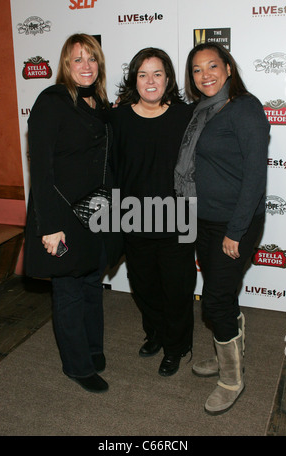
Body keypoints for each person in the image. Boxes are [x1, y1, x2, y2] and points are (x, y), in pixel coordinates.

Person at [174, 43, 270, 414]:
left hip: (236, 223)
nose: (205, 75)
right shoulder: (202, 111)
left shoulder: (245, 109)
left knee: (213, 300)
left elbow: (254, 179)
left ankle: (232, 378)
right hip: (205, 218)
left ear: (228, 68)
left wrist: (236, 230)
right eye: (197, 70)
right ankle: (228, 350)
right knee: (221, 295)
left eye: (213, 66)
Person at [24, 33, 122, 393]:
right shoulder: (51, 101)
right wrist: (49, 226)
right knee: (68, 290)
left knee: (92, 285)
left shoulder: (100, 104)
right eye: (77, 59)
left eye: (92, 59)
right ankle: (76, 366)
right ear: (66, 65)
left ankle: (92, 349)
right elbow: (43, 170)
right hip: (62, 216)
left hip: (96, 213)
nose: (86, 66)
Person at [111, 48, 196, 377]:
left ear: (168, 79)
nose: (150, 80)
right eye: (143, 74)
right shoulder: (117, 118)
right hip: (134, 217)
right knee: (143, 286)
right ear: (134, 78)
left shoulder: (185, 116)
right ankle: (157, 333)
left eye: (157, 73)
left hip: (178, 218)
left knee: (177, 288)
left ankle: (177, 346)